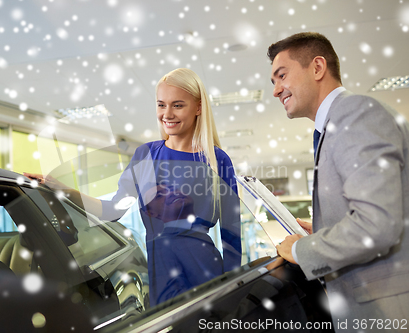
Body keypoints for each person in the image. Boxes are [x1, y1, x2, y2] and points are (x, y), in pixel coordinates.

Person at [25, 68, 241, 306]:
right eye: (161, 105)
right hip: (161, 269)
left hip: (205, 267)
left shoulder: (216, 159)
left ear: (198, 107)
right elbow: (112, 210)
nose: (167, 114)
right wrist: (61, 189)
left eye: (178, 105)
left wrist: (232, 284)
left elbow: (232, 231)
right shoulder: (144, 155)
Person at [268, 32, 409, 332]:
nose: (276, 90)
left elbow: (377, 225)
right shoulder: (334, 125)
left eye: (282, 76)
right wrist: (320, 232)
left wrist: (299, 251)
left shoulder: (356, 114)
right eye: (273, 82)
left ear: (318, 68)